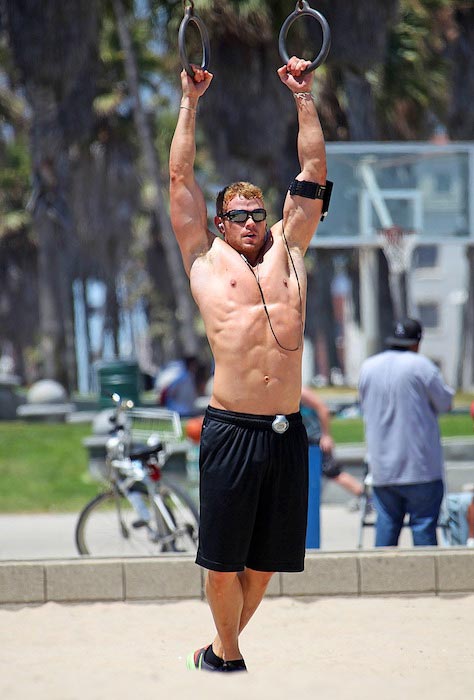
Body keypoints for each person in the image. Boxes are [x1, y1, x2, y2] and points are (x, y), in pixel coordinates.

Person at [169, 56, 330, 672]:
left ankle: (218, 650)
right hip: (231, 429)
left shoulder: (290, 251)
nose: (252, 224)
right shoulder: (203, 263)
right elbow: (179, 176)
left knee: (267, 563)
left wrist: (303, 96)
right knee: (220, 562)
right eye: (239, 215)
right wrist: (190, 101)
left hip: (286, 431)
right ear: (220, 221)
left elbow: (312, 168)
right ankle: (229, 657)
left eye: (259, 214)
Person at [358, 318, 454, 547]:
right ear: (417, 342)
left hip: (382, 468)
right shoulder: (422, 366)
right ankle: (427, 582)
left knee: (386, 527)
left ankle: (381, 580)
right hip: (420, 467)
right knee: (423, 529)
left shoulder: (368, 367)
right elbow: (445, 403)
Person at [300, 385, 364, 498]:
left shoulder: (301, 391)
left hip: (317, 440)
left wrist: (326, 436)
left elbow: (323, 409)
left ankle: (364, 495)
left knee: (333, 472)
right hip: (306, 440)